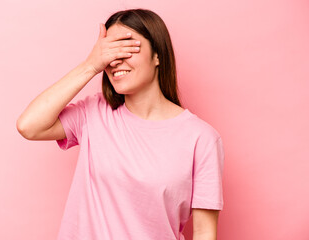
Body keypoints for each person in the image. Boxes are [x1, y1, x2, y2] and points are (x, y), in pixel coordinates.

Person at [16, 8, 224, 240]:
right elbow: (29, 125)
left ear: (158, 55)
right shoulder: (92, 113)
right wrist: (90, 65)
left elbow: (205, 232)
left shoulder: (201, 138)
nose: (115, 60)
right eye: (109, 51)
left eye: (127, 48)